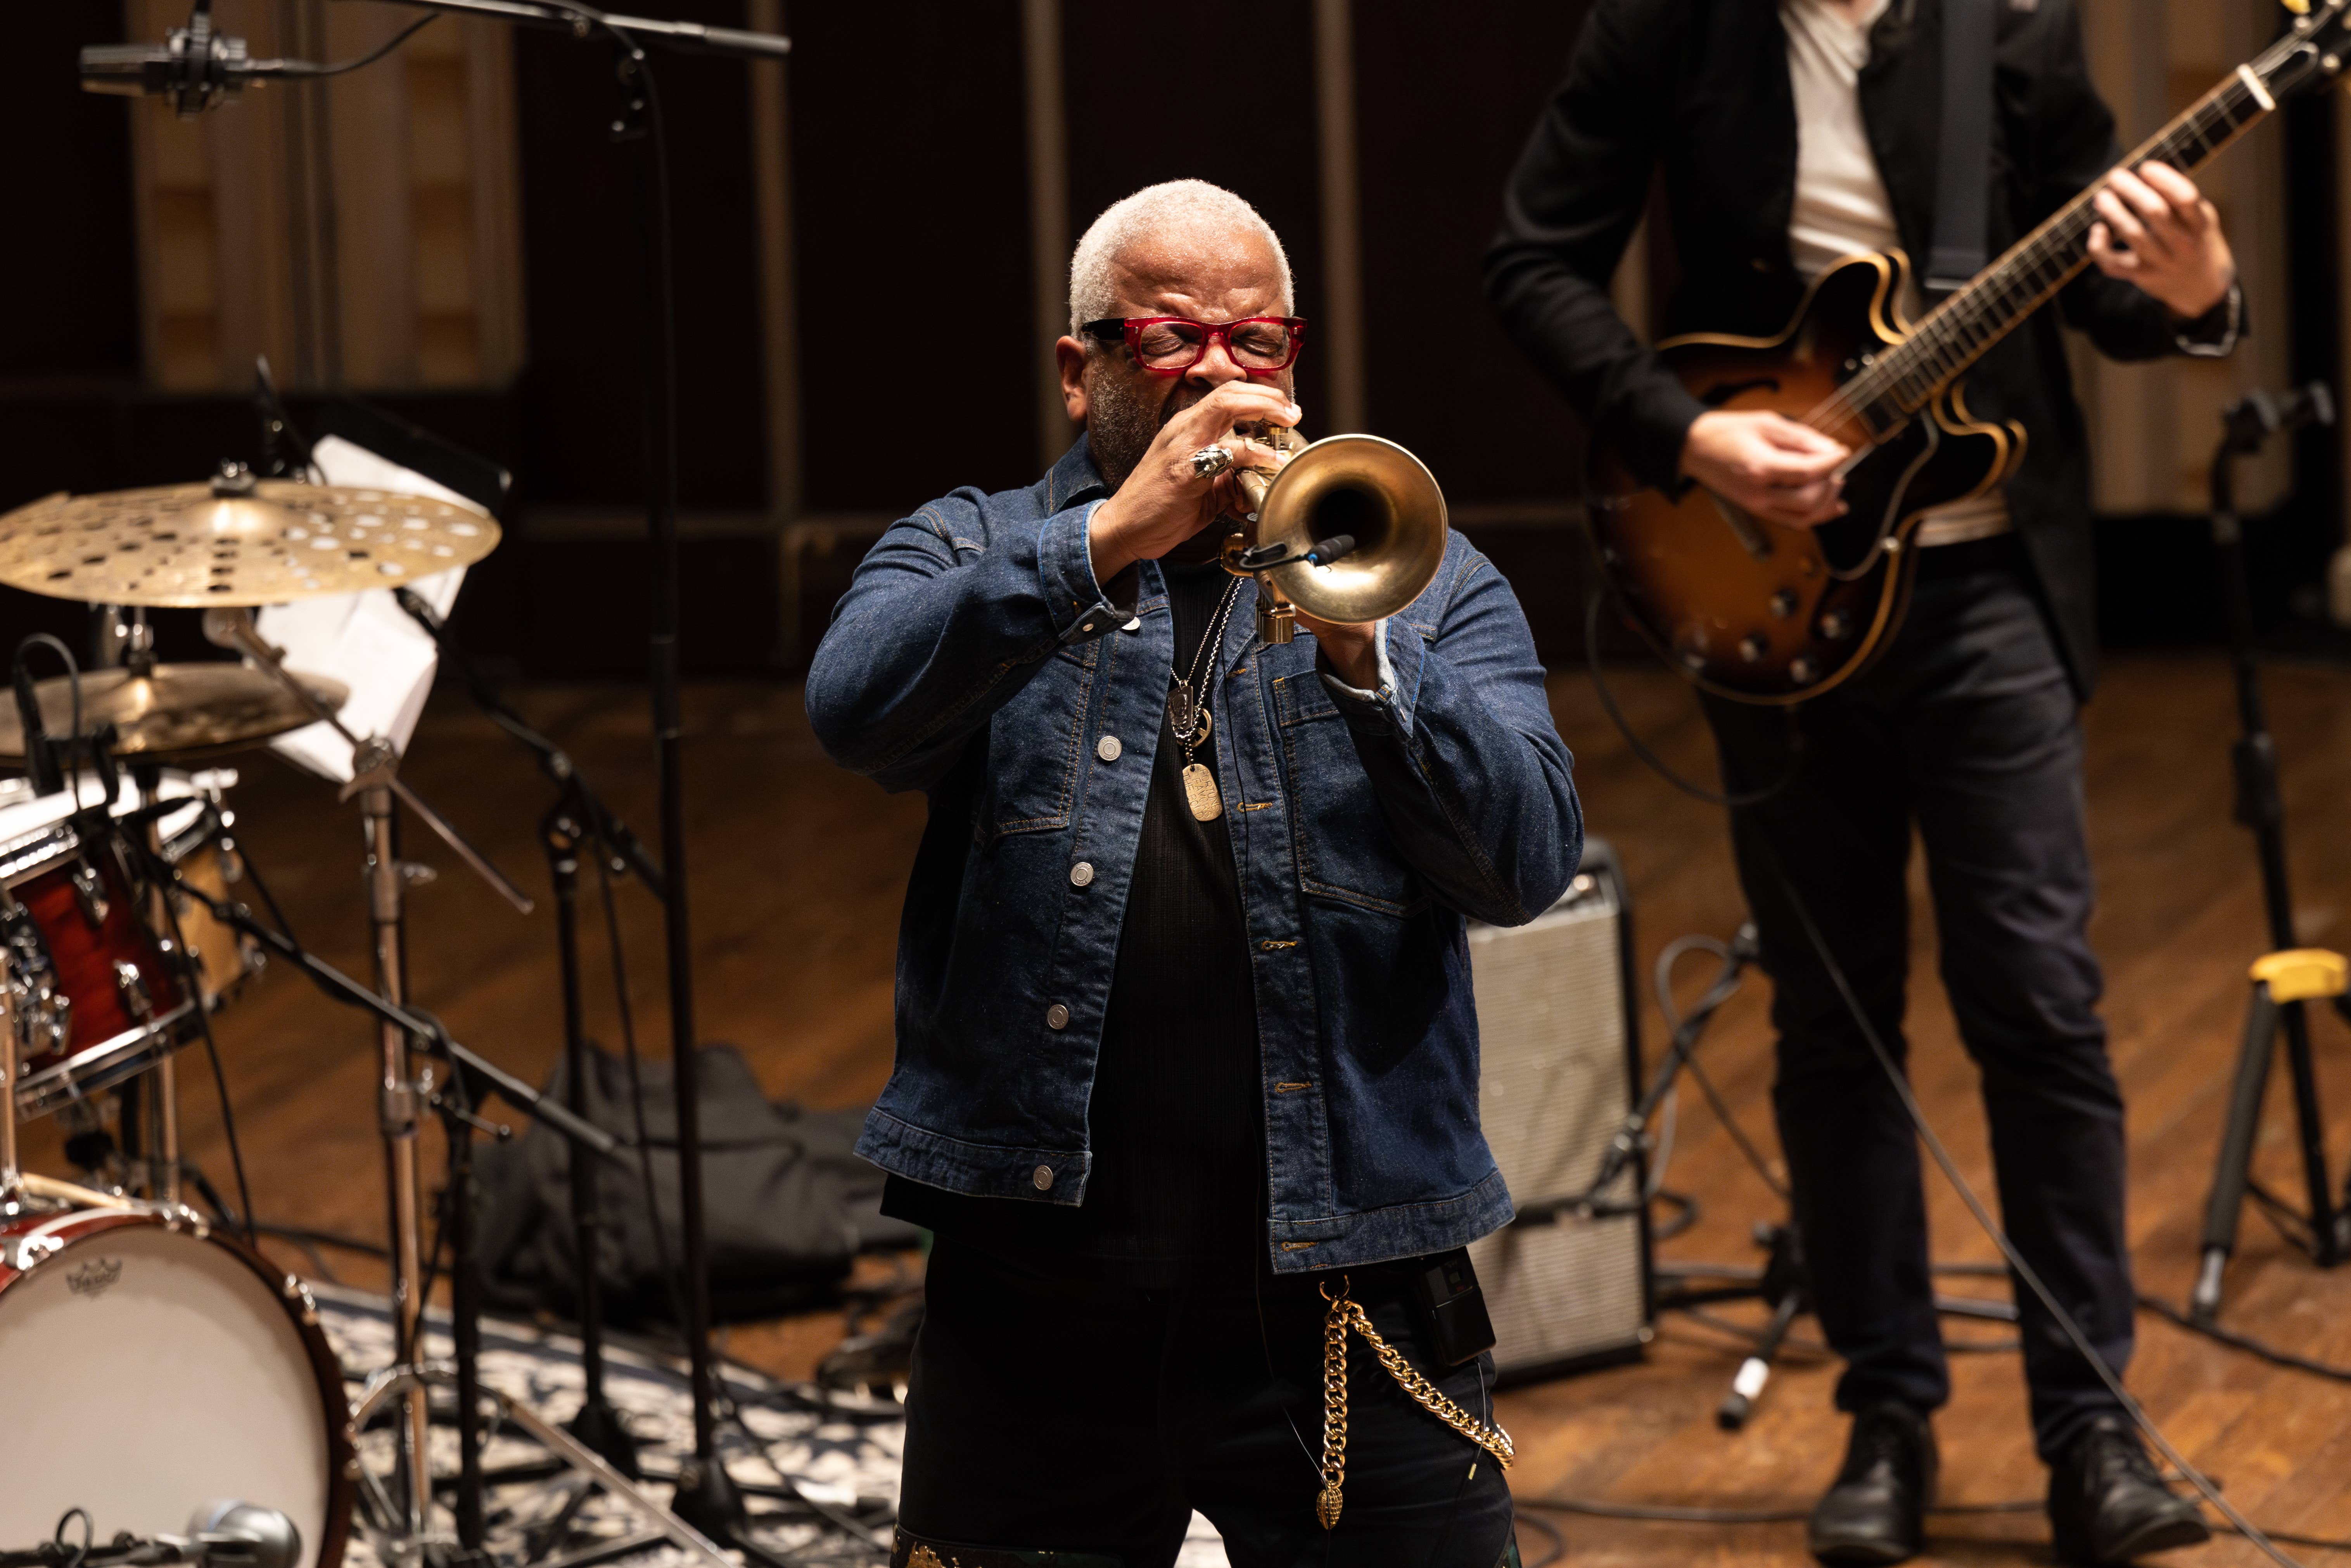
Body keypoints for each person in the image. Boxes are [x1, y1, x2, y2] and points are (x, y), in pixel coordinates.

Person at [1483, 2, 2241, 1565]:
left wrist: (2196, 292)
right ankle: (1886, 1413)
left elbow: (2110, 290)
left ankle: (2091, 1427)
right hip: (1771, 588)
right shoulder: (1669, 26)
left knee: (2040, 1004)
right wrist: (1690, 435)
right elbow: (1531, 262)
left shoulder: (2009, 26)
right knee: (1834, 1028)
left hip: (1987, 591)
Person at [807, 179, 1580, 1567]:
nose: (1221, 374)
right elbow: (855, 711)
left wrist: (1369, 653)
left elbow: (1526, 862)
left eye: (1256, 341)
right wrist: (1107, 541)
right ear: (1081, 370)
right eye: (1172, 338)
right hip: (1037, 1287)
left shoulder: (1425, 570)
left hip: (1346, 1276)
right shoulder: (972, 543)